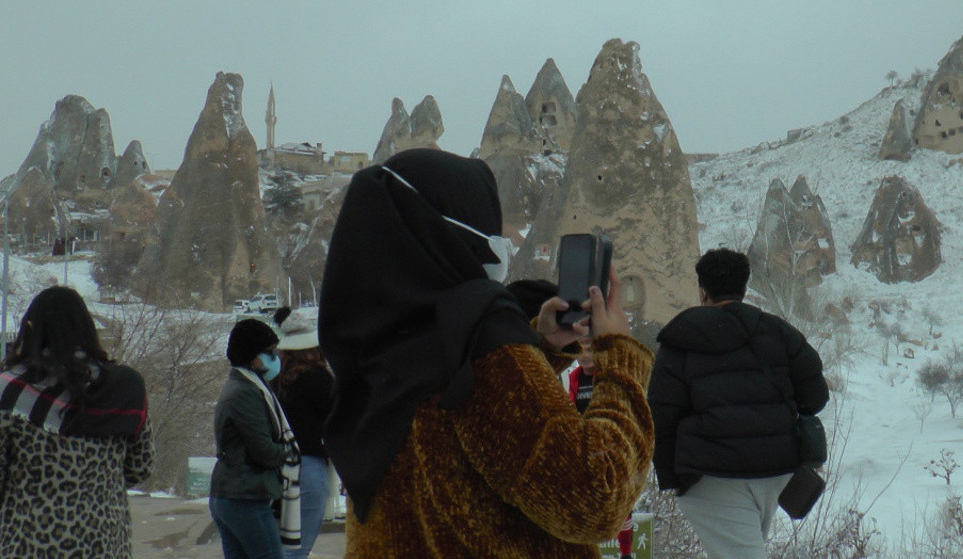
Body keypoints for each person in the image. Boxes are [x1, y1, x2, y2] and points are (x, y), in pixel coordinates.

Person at [318, 148, 654, 559]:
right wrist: (621, 360)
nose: (499, 247)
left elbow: (458, 438)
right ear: (450, 235)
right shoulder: (479, 347)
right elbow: (595, 497)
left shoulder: (377, 348)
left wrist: (538, 350)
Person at [648, 248, 829, 559]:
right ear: (743, 288)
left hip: (713, 475)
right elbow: (815, 398)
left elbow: (661, 413)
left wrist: (672, 477)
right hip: (776, 470)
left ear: (702, 292)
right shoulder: (779, 331)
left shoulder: (681, 338)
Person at [0, 286, 153, 559]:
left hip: (31, 543)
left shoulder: (9, 391)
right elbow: (140, 467)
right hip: (105, 543)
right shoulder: (126, 387)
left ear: (32, 330)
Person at [210, 318, 302, 559]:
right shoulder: (246, 392)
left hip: (233, 494)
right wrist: (289, 451)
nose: (276, 358)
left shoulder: (243, 386)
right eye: (270, 352)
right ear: (254, 358)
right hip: (245, 497)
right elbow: (264, 451)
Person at [270, 307, 334, 559]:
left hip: (278, 466)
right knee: (297, 549)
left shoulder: (275, 381)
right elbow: (338, 420)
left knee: (281, 547)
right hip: (309, 465)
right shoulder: (319, 379)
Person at [567, 340, 635, 559]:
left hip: (610, 445)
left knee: (619, 501)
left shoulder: (608, 375)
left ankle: (626, 553)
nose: (585, 356)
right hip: (585, 447)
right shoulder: (574, 378)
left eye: (589, 351)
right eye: (580, 352)